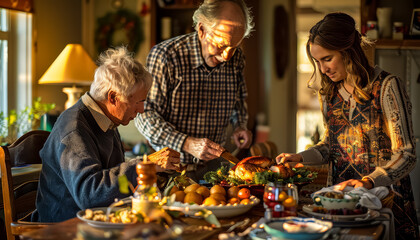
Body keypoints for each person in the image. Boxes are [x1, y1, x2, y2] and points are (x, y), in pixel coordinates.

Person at [276, 13, 419, 239]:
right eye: (317, 62)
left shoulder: (386, 87)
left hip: (387, 204)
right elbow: (330, 147)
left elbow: (407, 154)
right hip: (341, 208)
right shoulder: (329, 93)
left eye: (327, 59)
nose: (323, 69)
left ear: (348, 51)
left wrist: (369, 181)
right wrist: (301, 157)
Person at [32, 46, 180, 222]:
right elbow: (90, 195)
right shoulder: (74, 128)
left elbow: (114, 178)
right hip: (65, 228)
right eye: (139, 102)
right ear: (113, 98)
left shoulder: (105, 120)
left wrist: (156, 172)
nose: (141, 109)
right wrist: (144, 166)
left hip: (98, 221)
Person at [135, 0, 254, 180]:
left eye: (234, 47)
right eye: (221, 45)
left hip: (215, 170)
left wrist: (240, 126)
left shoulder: (236, 59)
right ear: (202, 30)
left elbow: (238, 99)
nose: (226, 57)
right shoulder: (166, 56)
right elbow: (145, 116)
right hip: (171, 170)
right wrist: (187, 143)